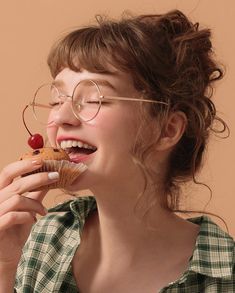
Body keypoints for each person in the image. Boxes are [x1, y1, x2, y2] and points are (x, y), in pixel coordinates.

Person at [0, 9, 234, 293]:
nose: (61, 118)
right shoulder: (40, 243)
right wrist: (5, 269)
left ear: (167, 129)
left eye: (95, 98)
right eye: (57, 99)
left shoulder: (223, 274)